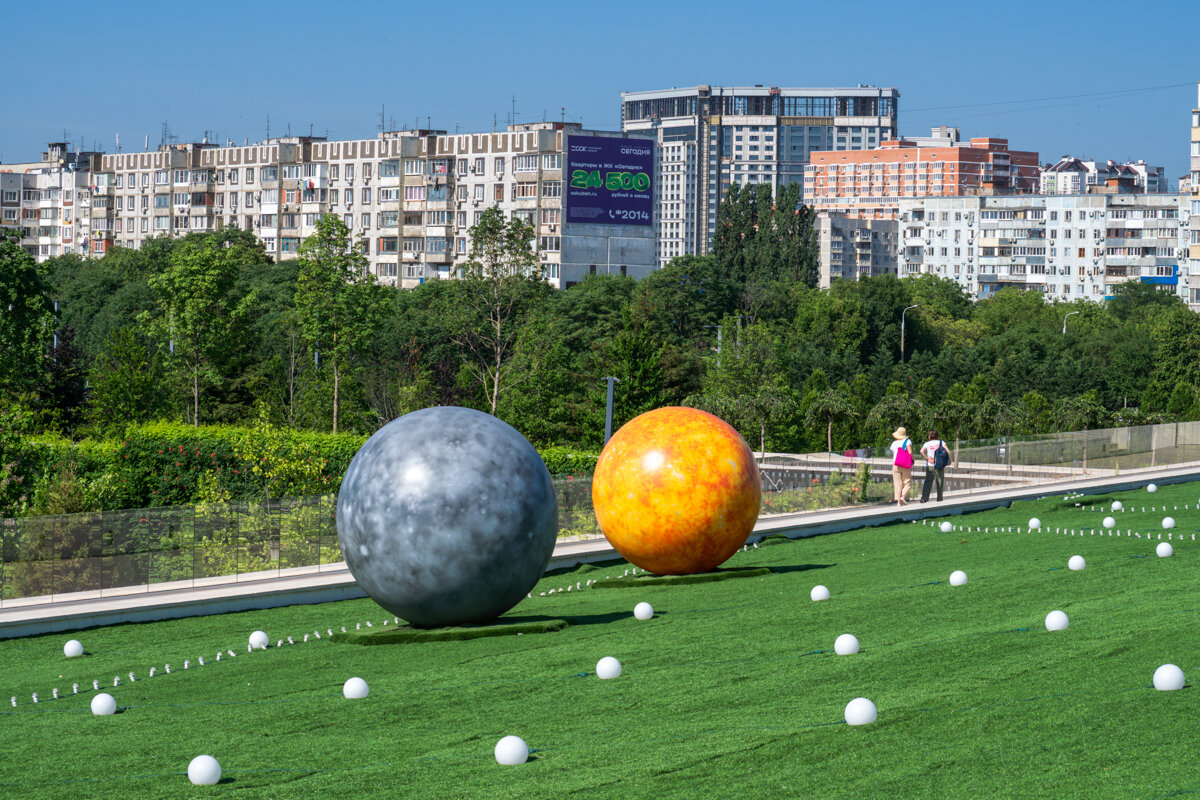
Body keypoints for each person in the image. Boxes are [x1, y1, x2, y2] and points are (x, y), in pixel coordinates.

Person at [919, 429, 950, 503]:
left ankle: (924, 498)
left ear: (929, 436)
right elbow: (948, 452)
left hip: (930, 465)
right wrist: (949, 461)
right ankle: (939, 498)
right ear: (937, 436)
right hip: (939, 465)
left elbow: (921, 451)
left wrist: (927, 458)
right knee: (939, 482)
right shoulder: (941, 442)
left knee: (928, 481)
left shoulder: (927, 444)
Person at [889, 427, 914, 505]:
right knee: (907, 482)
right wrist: (913, 459)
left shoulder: (894, 443)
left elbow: (894, 454)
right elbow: (910, 452)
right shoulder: (907, 441)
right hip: (905, 464)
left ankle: (899, 502)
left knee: (897, 483)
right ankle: (903, 497)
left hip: (895, 464)